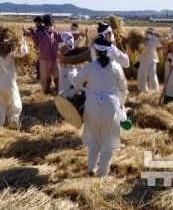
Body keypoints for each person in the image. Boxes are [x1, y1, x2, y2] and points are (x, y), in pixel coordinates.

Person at [73, 36, 129, 177]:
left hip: (92, 106)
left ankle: (91, 168)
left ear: (95, 51)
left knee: (93, 137)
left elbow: (76, 83)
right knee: (108, 139)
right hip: (111, 107)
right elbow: (124, 89)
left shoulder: (89, 67)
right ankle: (102, 173)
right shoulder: (117, 67)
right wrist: (121, 104)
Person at [0, 35, 28, 129]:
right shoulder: (10, 50)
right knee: (16, 103)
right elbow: (23, 52)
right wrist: (22, 41)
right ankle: (13, 123)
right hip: (8, 81)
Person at [25, 14, 61, 94]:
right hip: (47, 59)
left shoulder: (55, 33)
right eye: (50, 25)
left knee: (54, 75)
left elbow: (34, 39)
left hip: (52, 58)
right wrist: (28, 33)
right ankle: (48, 90)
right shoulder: (43, 34)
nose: (50, 27)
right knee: (48, 76)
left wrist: (28, 33)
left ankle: (56, 89)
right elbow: (34, 39)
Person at [136, 28, 162, 93]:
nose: (148, 34)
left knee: (152, 74)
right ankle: (143, 89)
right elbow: (138, 48)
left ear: (152, 34)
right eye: (147, 33)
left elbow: (161, 43)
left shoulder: (154, 41)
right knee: (143, 74)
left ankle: (154, 90)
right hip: (145, 60)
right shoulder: (141, 40)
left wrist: (159, 36)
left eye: (150, 33)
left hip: (151, 60)